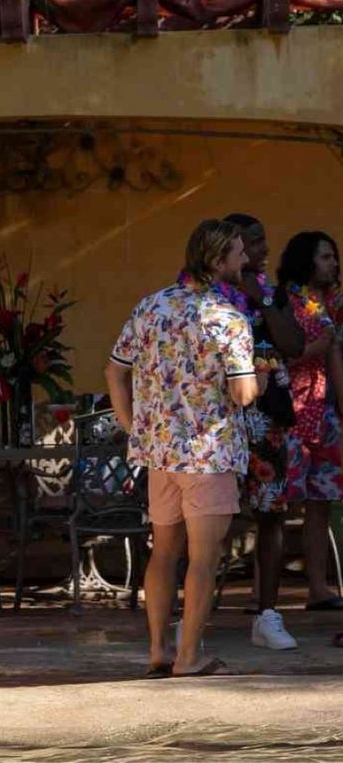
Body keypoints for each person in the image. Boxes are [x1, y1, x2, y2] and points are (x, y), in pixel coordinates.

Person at [105, 219, 259, 677]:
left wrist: (135, 428)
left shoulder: (151, 306)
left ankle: (158, 650)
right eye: (238, 253)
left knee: (164, 552)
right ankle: (189, 656)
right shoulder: (228, 317)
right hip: (208, 454)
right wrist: (261, 378)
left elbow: (115, 370)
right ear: (217, 261)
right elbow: (244, 393)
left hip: (160, 456)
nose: (245, 260)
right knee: (204, 559)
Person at [222, 214, 304, 649]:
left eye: (263, 241)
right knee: (207, 517)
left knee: (271, 514)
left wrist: (264, 304)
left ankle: (268, 616)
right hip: (217, 421)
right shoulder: (206, 297)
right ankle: (190, 617)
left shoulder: (275, 294)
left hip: (267, 421)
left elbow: (293, 346)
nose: (263, 250)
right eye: (253, 243)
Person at [276, 231, 343, 611]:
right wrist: (313, 349)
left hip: (326, 414)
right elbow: (274, 355)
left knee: (322, 502)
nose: (332, 263)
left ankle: (318, 588)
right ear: (306, 260)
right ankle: (261, 593)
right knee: (278, 505)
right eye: (324, 257)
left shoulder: (335, 304)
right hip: (291, 412)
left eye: (334, 257)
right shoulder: (283, 301)